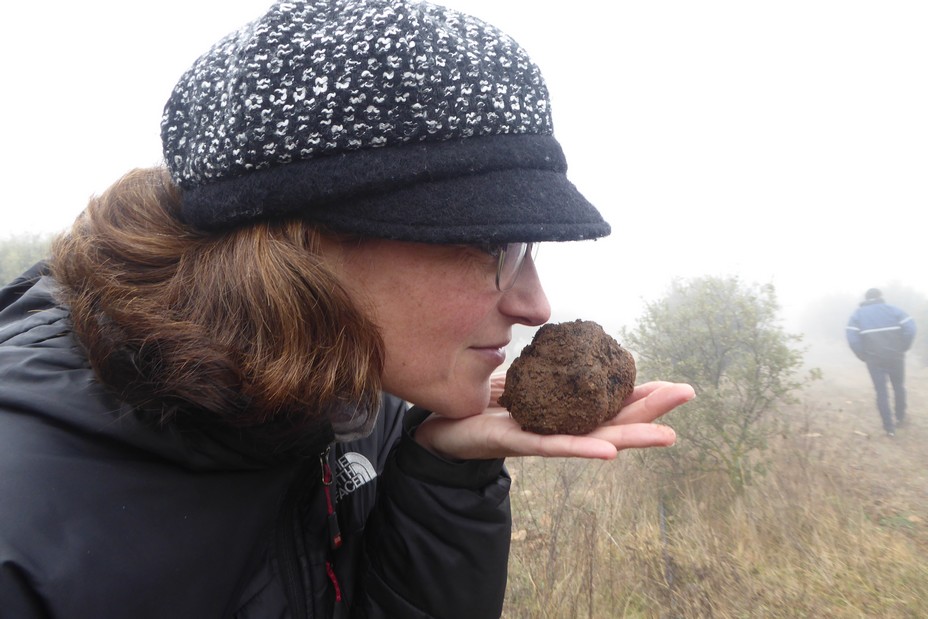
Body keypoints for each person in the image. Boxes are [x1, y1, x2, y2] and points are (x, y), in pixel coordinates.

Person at [0, 1, 695, 617]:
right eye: (490, 243)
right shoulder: (24, 536)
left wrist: (442, 481)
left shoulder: (356, 401)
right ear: (303, 242)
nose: (536, 304)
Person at [846, 288, 917, 437]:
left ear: (865, 299)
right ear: (880, 296)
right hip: (896, 355)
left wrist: (862, 355)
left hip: (874, 358)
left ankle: (889, 428)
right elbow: (911, 328)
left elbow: (852, 338)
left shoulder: (857, 315)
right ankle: (900, 418)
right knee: (899, 386)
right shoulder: (893, 310)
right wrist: (903, 347)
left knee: (881, 392)